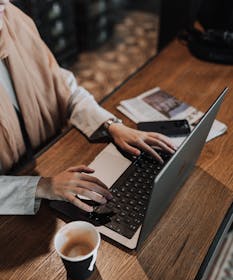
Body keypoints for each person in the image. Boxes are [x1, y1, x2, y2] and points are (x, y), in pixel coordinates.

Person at [0, 1, 176, 215]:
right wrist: (40, 186)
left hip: (51, 158)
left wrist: (110, 125)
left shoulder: (12, 18)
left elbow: (63, 87)